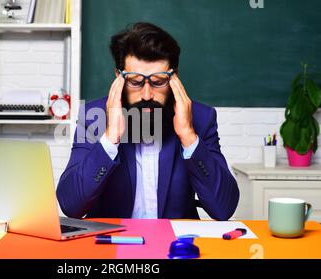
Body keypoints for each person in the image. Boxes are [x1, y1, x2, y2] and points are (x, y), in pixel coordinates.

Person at [57, 22, 239, 220]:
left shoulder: (201, 119)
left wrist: (188, 135)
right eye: (135, 81)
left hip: (175, 246)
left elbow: (224, 208)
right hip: (112, 244)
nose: (146, 94)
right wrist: (110, 138)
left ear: (174, 77)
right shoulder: (93, 117)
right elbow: (71, 205)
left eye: (158, 81)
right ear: (119, 77)